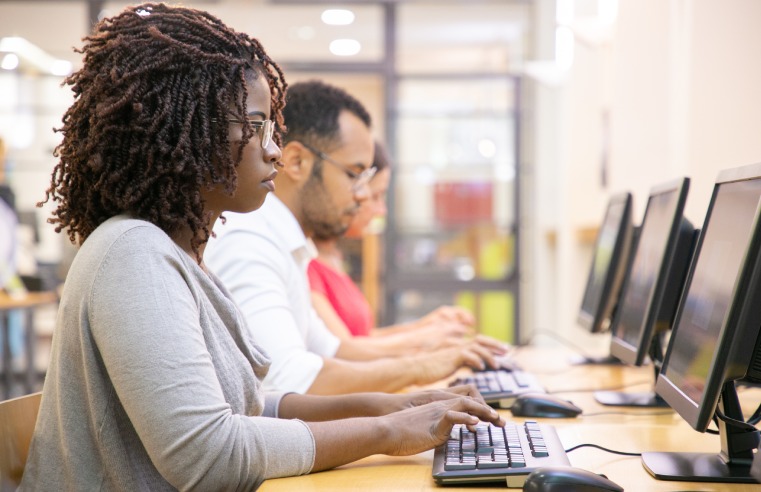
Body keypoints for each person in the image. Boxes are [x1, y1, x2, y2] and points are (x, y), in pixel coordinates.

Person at [19, 4, 504, 490]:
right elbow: (209, 456)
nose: (273, 149)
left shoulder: (177, 255)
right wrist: (384, 432)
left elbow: (250, 405)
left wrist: (389, 405)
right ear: (191, 132)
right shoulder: (133, 255)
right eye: (256, 127)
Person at [205, 80, 509, 396]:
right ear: (296, 162)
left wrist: (430, 352)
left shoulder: (285, 244)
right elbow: (287, 380)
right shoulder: (249, 241)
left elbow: (333, 351)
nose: (362, 195)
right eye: (354, 174)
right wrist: (422, 366)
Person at [308, 140, 484, 354]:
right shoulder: (307, 263)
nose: (380, 210)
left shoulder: (332, 258)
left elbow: (364, 338)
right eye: (376, 196)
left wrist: (426, 326)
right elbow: (346, 351)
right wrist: (425, 340)